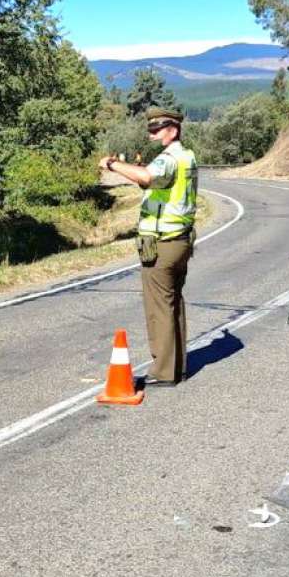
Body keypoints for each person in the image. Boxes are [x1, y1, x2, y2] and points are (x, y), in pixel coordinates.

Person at [99, 106, 198, 386]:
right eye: (151, 129)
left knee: (159, 307)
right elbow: (158, 185)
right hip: (180, 240)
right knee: (173, 303)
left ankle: (164, 372)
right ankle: (177, 366)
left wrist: (111, 165)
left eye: (157, 129)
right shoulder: (187, 157)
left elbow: (147, 177)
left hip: (163, 242)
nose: (152, 134)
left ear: (173, 129)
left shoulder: (169, 158)